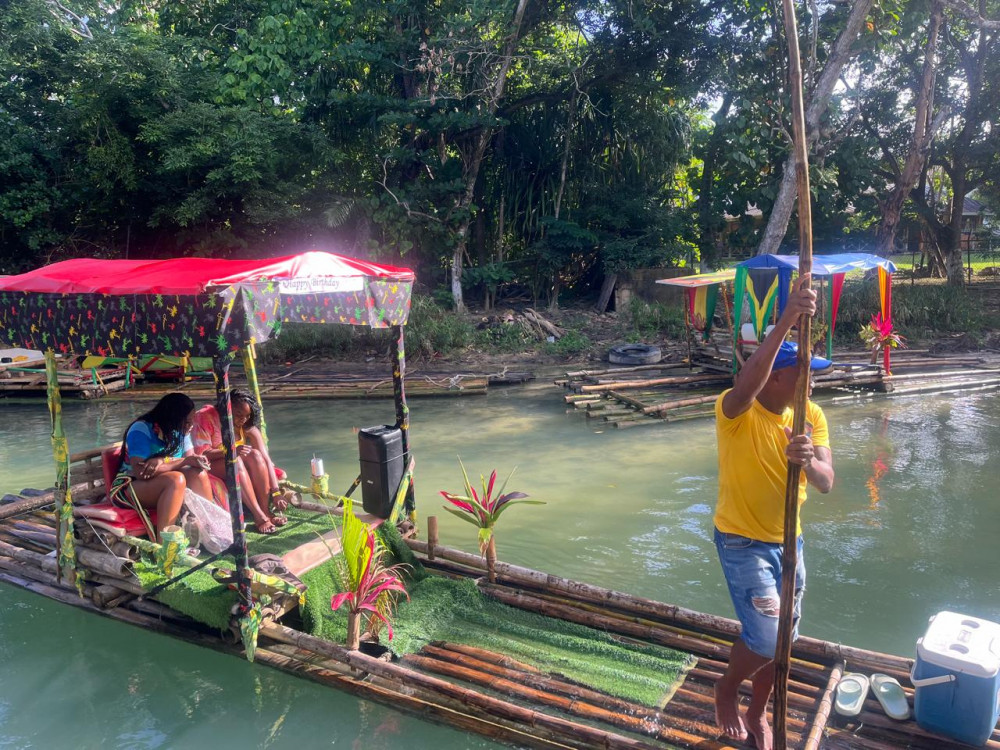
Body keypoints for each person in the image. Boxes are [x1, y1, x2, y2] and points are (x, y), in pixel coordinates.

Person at [712, 274, 836, 750]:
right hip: (742, 541)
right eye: (805, 371)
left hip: (790, 543)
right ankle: (726, 688)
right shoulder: (736, 411)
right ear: (780, 375)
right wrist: (788, 317)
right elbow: (747, 380)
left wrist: (808, 464)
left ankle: (758, 711)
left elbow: (827, 483)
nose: (812, 381)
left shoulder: (812, 416)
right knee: (766, 638)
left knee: (784, 641)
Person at [110, 393, 213, 542]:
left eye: (191, 421)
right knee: (175, 479)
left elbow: (190, 461)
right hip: (128, 487)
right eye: (186, 422)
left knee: (198, 474)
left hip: (165, 483)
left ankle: (209, 533)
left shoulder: (181, 430)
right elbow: (140, 473)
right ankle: (164, 543)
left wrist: (191, 461)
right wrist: (182, 462)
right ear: (172, 418)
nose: (190, 427)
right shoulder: (142, 428)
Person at [191, 388, 291, 534]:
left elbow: (266, 460)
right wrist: (230, 451)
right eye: (238, 414)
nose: (242, 419)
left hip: (233, 460)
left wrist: (276, 493)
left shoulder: (246, 425)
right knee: (235, 461)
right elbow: (202, 453)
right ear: (227, 407)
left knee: (256, 455)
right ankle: (259, 516)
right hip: (208, 462)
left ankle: (266, 511)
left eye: (247, 416)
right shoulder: (205, 417)